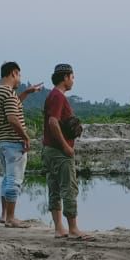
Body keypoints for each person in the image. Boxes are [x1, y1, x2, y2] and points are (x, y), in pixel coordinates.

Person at [0, 62, 43, 227]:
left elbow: (12, 105)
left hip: (0, 141)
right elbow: (12, 118)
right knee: (14, 180)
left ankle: (4, 215)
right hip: (13, 142)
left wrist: (26, 92)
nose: (20, 79)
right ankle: (11, 218)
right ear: (13, 73)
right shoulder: (9, 93)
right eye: (19, 75)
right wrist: (25, 136)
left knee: (6, 178)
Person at [43, 63, 88, 238]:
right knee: (68, 188)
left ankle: (59, 229)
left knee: (54, 188)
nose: (73, 80)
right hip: (59, 152)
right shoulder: (58, 97)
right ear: (66, 77)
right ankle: (73, 229)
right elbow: (53, 122)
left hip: (49, 150)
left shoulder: (52, 95)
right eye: (72, 77)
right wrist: (65, 146)